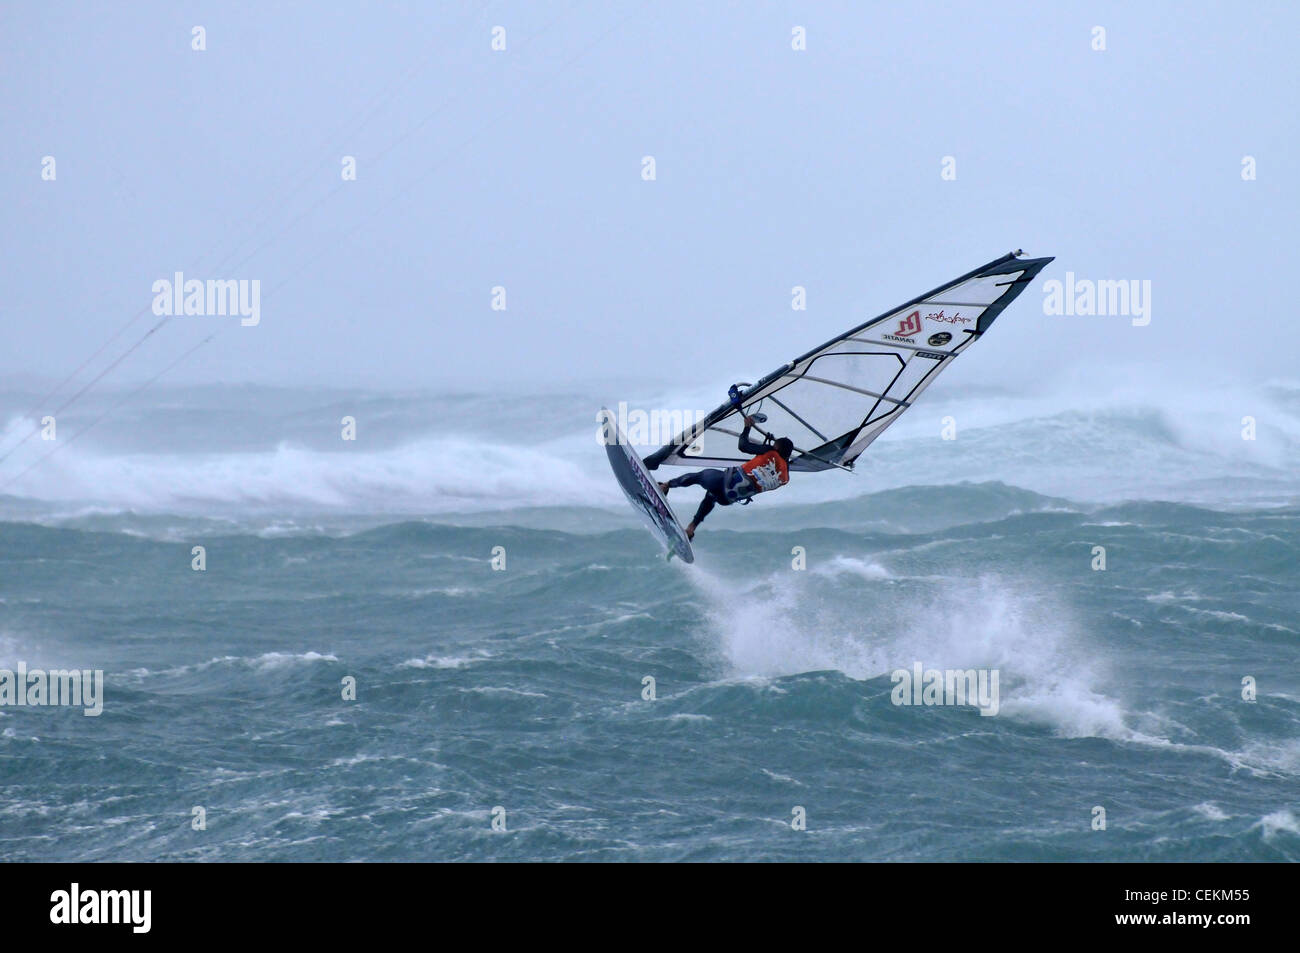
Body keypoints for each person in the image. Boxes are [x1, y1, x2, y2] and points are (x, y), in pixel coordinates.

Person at [658, 415, 793, 540]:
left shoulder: (771, 452)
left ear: (776, 447)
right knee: (711, 496)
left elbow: (743, 446)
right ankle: (691, 528)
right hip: (729, 498)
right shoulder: (785, 478)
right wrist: (771, 447)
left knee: (699, 477)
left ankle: (666, 485)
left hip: (722, 482)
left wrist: (747, 427)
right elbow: (779, 464)